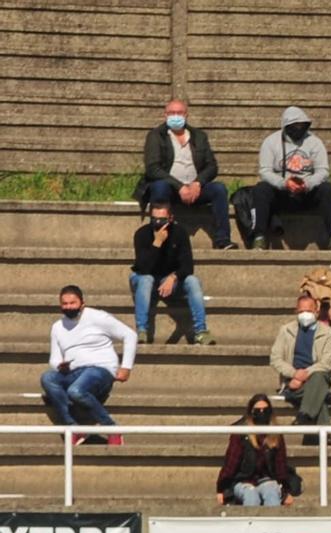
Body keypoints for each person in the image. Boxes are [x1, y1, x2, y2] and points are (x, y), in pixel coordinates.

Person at [44, 285, 135, 448]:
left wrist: (126, 367)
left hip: (100, 369)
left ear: (82, 303)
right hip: (74, 372)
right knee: (48, 378)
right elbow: (54, 358)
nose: (68, 307)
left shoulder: (98, 317)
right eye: (64, 304)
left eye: (72, 303)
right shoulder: (57, 327)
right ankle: (74, 427)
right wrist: (59, 366)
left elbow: (130, 335)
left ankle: (111, 428)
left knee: (75, 391)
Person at [137, 97, 232, 249]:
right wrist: (179, 186)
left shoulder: (199, 136)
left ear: (186, 115)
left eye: (179, 112)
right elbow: (153, 168)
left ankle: (223, 239)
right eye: (171, 113)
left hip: (194, 188)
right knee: (159, 187)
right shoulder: (156, 136)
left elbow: (212, 166)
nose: (175, 116)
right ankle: (158, 235)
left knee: (219, 189)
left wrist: (198, 183)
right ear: (165, 115)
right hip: (170, 188)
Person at [247, 107, 331, 250]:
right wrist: (284, 183)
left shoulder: (315, 142)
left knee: (328, 189)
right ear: (286, 126)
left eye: (302, 125)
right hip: (282, 193)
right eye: (294, 126)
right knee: (261, 189)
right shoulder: (270, 142)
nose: (298, 129)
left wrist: (308, 183)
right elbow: (265, 171)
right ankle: (259, 237)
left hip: (307, 193)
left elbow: (323, 170)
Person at [130, 198, 216, 346]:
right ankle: (142, 330)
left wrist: (173, 277)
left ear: (170, 218)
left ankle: (201, 331)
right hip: (145, 278)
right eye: (154, 219)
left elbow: (188, 266)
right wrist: (157, 243)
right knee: (146, 279)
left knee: (193, 281)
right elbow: (143, 268)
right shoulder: (142, 234)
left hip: (170, 279)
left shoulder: (179, 233)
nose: (157, 223)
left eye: (162, 220)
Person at [270, 293, 331, 432]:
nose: (305, 314)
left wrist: (305, 375)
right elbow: (275, 358)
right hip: (293, 382)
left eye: (308, 311)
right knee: (321, 395)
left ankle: (304, 415)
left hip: (315, 377)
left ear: (316, 311)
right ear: (296, 312)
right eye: (301, 311)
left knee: (319, 376)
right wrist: (294, 374)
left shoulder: (328, 333)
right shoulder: (286, 330)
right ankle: (324, 436)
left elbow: (327, 362)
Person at [215, 395, 298, 506]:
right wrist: (222, 489)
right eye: (258, 410)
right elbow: (231, 463)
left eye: (265, 410)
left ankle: (272, 522)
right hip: (243, 480)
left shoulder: (275, 434)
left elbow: (280, 465)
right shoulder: (241, 434)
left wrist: (286, 491)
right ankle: (249, 522)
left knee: (271, 492)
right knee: (251, 495)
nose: (262, 413)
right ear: (251, 412)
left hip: (267, 480)